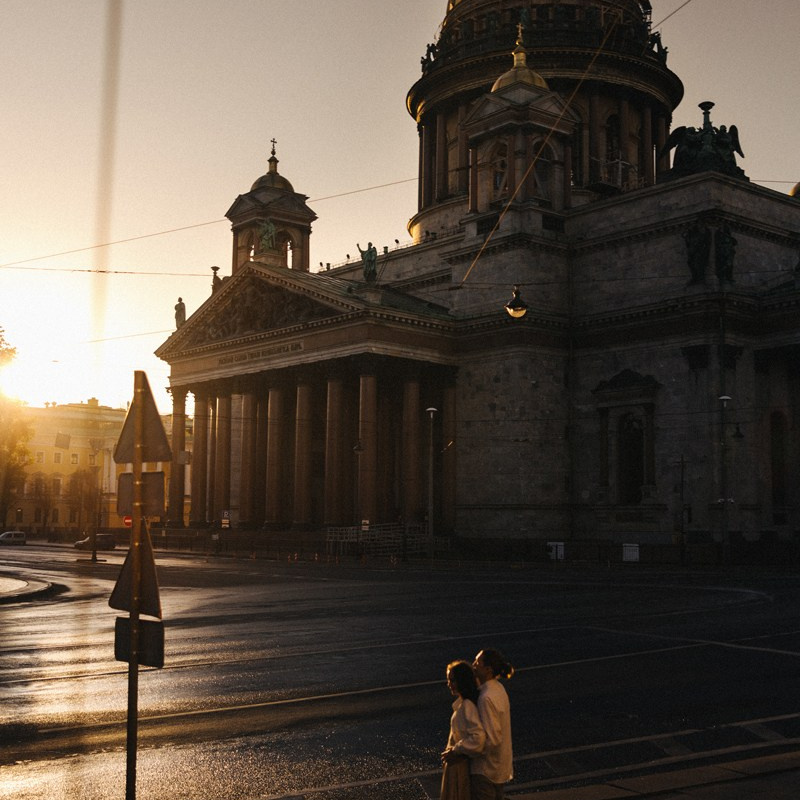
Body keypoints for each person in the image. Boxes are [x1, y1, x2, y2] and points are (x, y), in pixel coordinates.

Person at [471, 649, 514, 799]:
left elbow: (492, 738)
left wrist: (467, 751)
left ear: (488, 670)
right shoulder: (498, 689)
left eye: (478, 662)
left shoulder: (485, 697)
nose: (474, 665)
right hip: (500, 766)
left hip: (486, 770)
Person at [441, 660, 485, 800]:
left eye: (452, 680)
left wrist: (456, 750)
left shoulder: (467, 706)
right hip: (455, 765)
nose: (449, 684)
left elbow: (478, 737)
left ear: (462, 681)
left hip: (459, 767)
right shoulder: (462, 704)